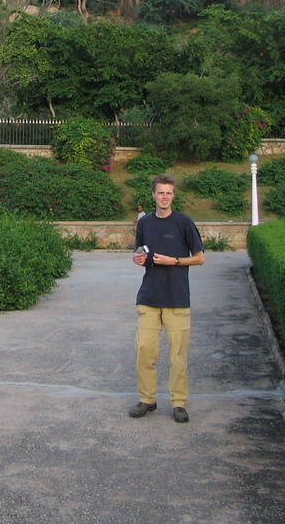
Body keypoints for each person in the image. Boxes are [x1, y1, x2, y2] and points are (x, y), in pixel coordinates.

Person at [129, 173, 205, 424]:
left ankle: (179, 402)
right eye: (160, 192)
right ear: (153, 195)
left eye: (168, 193)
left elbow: (200, 257)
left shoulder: (183, 222)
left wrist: (175, 261)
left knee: (177, 356)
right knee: (144, 351)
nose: (164, 197)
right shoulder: (145, 223)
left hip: (177, 299)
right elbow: (140, 253)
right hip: (149, 295)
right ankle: (147, 399)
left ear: (173, 195)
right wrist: (138, 258)